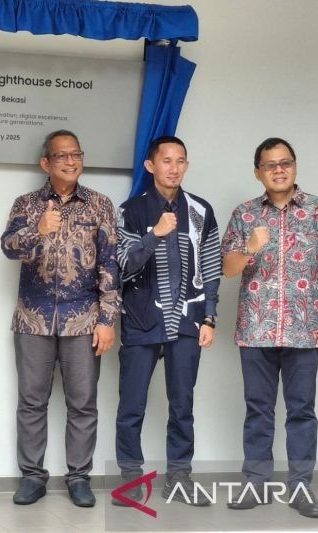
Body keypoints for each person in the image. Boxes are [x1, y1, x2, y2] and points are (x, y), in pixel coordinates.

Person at [223, 137, 318, 518]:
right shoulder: (245, 214)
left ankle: (301, 488)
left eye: (286, 162)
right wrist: (249, 248)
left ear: (294, 167)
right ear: (257, 171)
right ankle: (256, 484)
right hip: (256, 330)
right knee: (258, 409)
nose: (279, 169)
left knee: (302, 411)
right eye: (270, 164)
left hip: (305, 329)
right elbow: (227, 270)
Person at [1, 130, 120, 508]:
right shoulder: (27, 204)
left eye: (76, 154)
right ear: (45, 163)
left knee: (83, 403)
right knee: (31, 402)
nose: (71, 161)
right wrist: (38, 230)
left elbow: (111, 264)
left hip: (83, 319)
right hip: (33, 318)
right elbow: (8, 247)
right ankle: (32, 477)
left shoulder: (100, 204)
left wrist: (107, 318)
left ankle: (79, 477)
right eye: (62, 156)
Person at [113, 136, 221, 506]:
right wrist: (153, 236)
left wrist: (210, 317)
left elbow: (211, 267)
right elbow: (122, 268)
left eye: (180, 161)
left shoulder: (200, 210)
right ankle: (130, 482)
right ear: (150, 166)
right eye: (166, 161)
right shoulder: (131, 210)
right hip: (142, 319)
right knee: (131, 406)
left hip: (188, 322)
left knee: (182, 405)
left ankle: (180, 477)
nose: (174, 168)